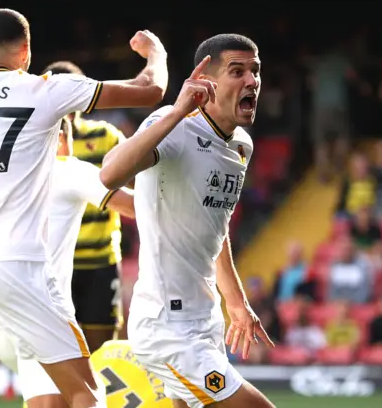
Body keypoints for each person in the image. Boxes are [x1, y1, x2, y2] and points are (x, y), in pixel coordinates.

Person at [0, 8, 168, 408]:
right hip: (17, 267)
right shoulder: (45, 90)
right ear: (27, 51)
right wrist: (156, 53)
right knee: (85, 392)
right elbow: (150, 90)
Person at [100, 34, 275, 407]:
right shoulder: (173, 125)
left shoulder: (242, 144)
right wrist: (179, 110)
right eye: (238, 71)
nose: (252, 81)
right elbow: (109, 174)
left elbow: (215, 225)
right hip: (167, 325)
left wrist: (236, 301)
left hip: (205, 318)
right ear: (207, 81)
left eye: (255, 71)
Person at [0, 117, 135, 408]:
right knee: (89, 398)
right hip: (43, 312)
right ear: (60, 139)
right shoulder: (67, 169)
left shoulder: (1, 175)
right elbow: (138, 207)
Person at [42, 60, 128, 352]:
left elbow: (140, 178)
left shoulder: (106, 137)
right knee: (55, 352)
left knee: (102, 353)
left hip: (99, 263)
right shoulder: (35, 141)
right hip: (52, 266)